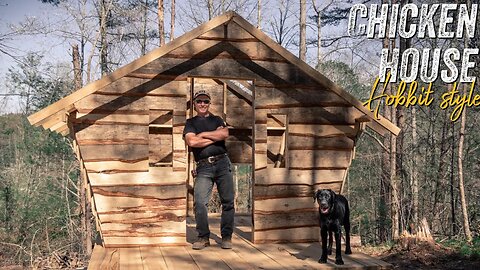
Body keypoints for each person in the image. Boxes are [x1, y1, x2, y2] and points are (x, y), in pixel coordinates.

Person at [183, 90, 235, 250]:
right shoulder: (190, 122)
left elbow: (224, 134)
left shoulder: (217, 119)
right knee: (199, 202)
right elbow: (192, 141)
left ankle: (226, 237)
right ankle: (203, 237)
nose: (202, 104)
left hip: (222, 163)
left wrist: (203, 134)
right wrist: (214, 135)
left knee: (228, 202)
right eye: (199, 101)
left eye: (205, 101)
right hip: (204, 166)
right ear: (194, 104)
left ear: (209, 103)